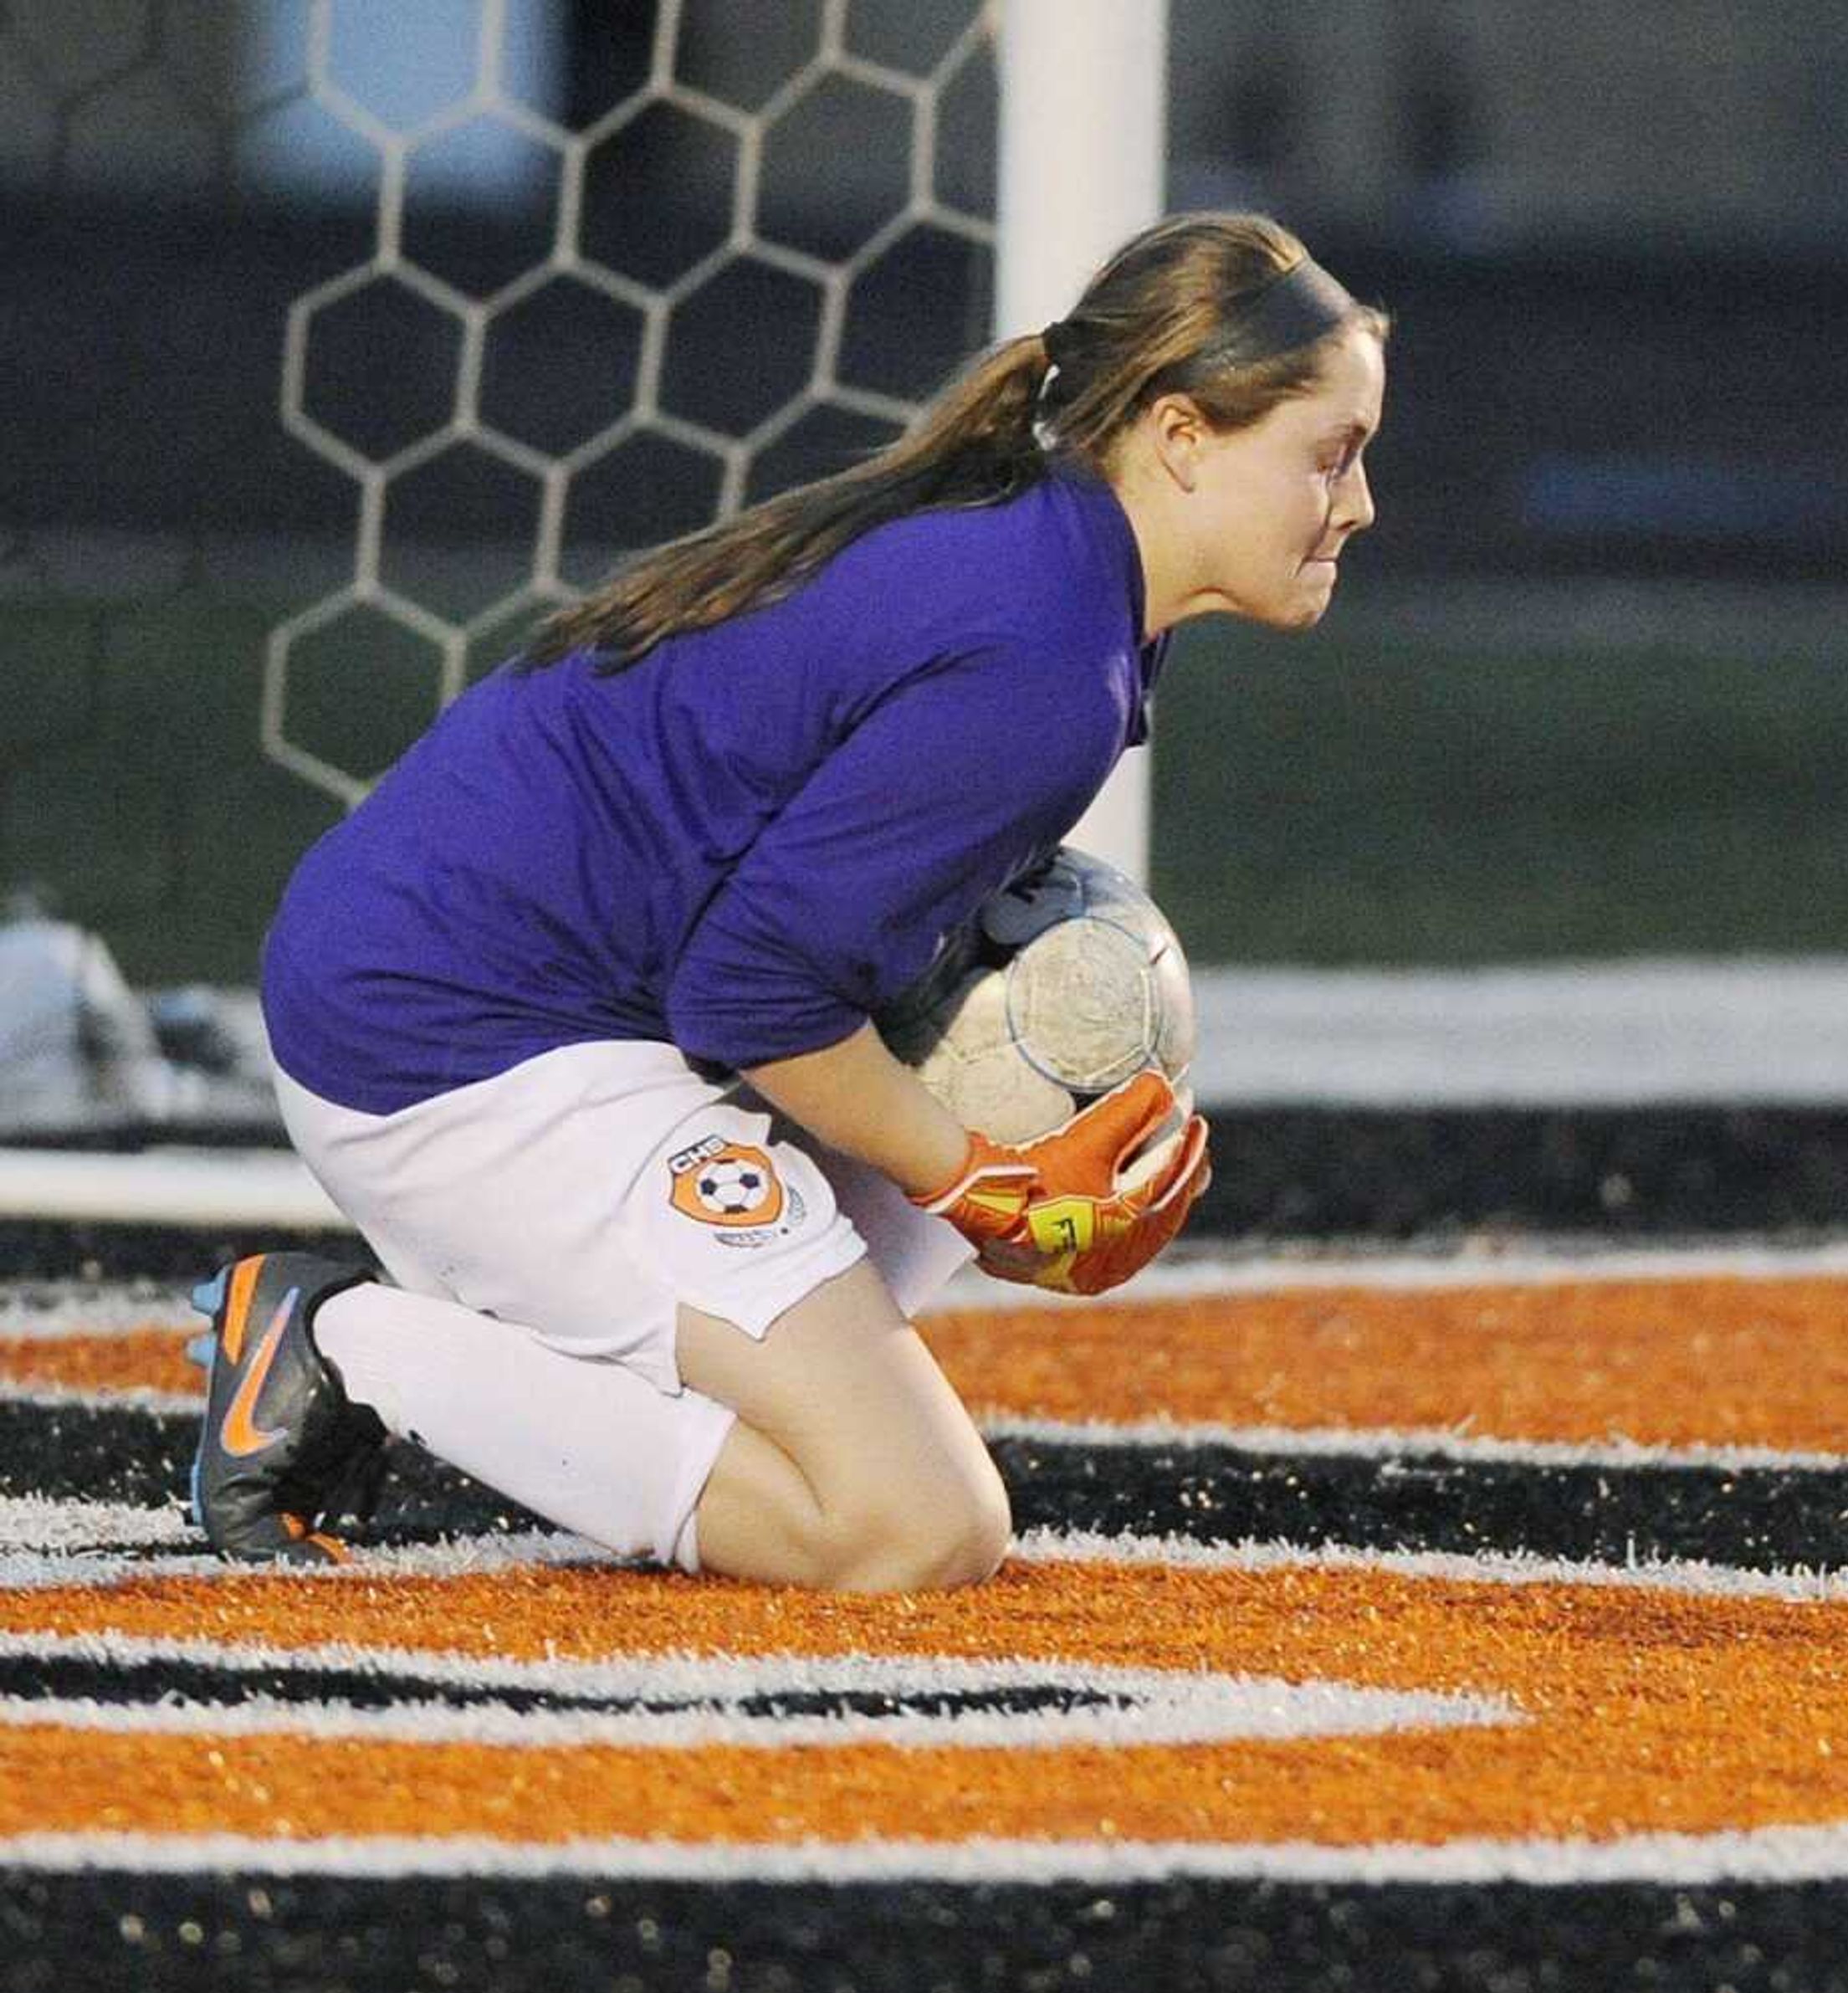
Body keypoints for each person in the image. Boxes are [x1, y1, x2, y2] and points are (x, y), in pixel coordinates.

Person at [184, 212, 1387, 1592]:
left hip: (487, 985)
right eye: (1330, 455)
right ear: (1180, 437)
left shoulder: (1053, 555)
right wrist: (986, 1179)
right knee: (913, 1529)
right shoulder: (1045, 659)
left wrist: (977, 1162)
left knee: (901, 1182)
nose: (1356, 506)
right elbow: (753, 994)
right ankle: (344, 1345)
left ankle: (573, 1317)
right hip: (452, 1047)